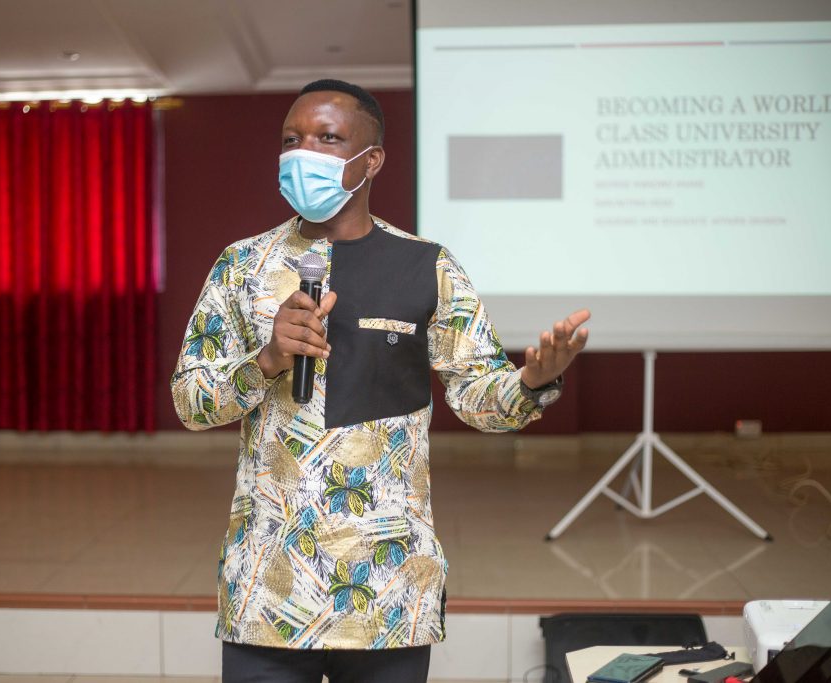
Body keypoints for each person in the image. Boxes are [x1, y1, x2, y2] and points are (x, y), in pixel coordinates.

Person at [171, 79, 590, 683]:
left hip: (387, 588)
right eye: (292, 139)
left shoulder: (428, 266)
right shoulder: (242, 266)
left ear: (372, 160)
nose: (302, 152)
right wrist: (262, 362)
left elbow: (477, 397)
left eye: (327, 138)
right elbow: (190, 402)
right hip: (269, 583)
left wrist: (529, 381)